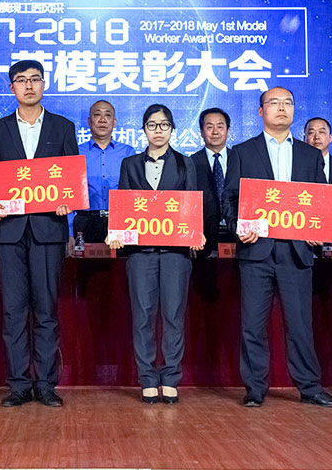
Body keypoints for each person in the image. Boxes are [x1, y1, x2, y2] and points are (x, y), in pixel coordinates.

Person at [222, 87, 332, 408]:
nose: (281, 108)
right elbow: (230, 198)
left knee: (300, 324)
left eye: (288, 102)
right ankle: (254, 388)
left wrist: (319, 231)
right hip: (256, 251)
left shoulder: (309, 154)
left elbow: (320, 200)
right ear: (261, 111)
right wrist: (239, 227)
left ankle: (310, 387)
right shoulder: (242, 152)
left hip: (296, 252)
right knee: (252, 324)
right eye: (274, 103)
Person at [0, 60, 78, 407]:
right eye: (21, 80)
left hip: (48, 229)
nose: (29, 85)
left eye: (35, 79)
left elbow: (71, 180)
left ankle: (46, 383)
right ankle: (18, 383)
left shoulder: (63, 127)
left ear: (44, 84)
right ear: (11, 88)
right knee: (13, 310)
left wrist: (68, 201)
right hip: (9, 231)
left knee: (46, 310)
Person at [108, 104, 203, 405]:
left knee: (173, 315)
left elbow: (191, 205)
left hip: (176, 253)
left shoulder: (186, 163)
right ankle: (147, 378)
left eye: (164, 125)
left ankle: (171, 377)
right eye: (152, 125)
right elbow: (123, 204)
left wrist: (197, 233)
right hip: (141, 253)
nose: (158, 130)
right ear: (144, 129)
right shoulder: (130, 164)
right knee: (143, 316)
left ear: (172, 129)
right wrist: (116, 231)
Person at [73, 100, 135, 243]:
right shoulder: (76, 152)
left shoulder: (127, 152)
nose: (102, 120)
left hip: (118, 221)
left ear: (114, 122)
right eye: (97, 115)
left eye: (107, 115)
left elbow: (132, 192)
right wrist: (69, 232)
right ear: (89, 122)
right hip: (85, 222)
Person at [191, 108, 231, 258]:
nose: (215, 132)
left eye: (220, 126)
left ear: (227, 131)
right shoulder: (190, 163)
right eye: (209, 127)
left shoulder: (240, 159)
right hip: (203, 240)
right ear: (201, 132)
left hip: (238, 238)